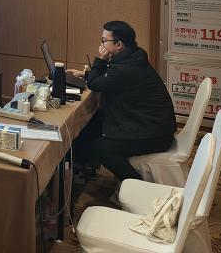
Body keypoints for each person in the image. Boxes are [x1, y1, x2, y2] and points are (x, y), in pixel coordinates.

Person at [68, 20, 176, 184]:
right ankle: (82, 169)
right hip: (149, 123)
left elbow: (95, 84)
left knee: (101, 147)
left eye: (104, 41)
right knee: (93, 121)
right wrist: (86, 74)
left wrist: (101, 59)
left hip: (154, 133)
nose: (101, 45)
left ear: (119, 44)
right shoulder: (132, 57)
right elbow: (110, 77)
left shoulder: (126, 68)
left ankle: (136, 186)